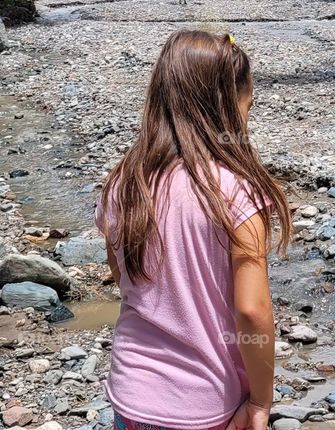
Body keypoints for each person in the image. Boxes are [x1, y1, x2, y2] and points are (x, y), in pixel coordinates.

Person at [95, 30, 292, 430]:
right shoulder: (236, 191)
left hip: (131, 396)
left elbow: (125, 279)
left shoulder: (123, 183)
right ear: (230, 107)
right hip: (203, 405)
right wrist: (260, 400)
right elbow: (252, 310)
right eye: (247, 106)